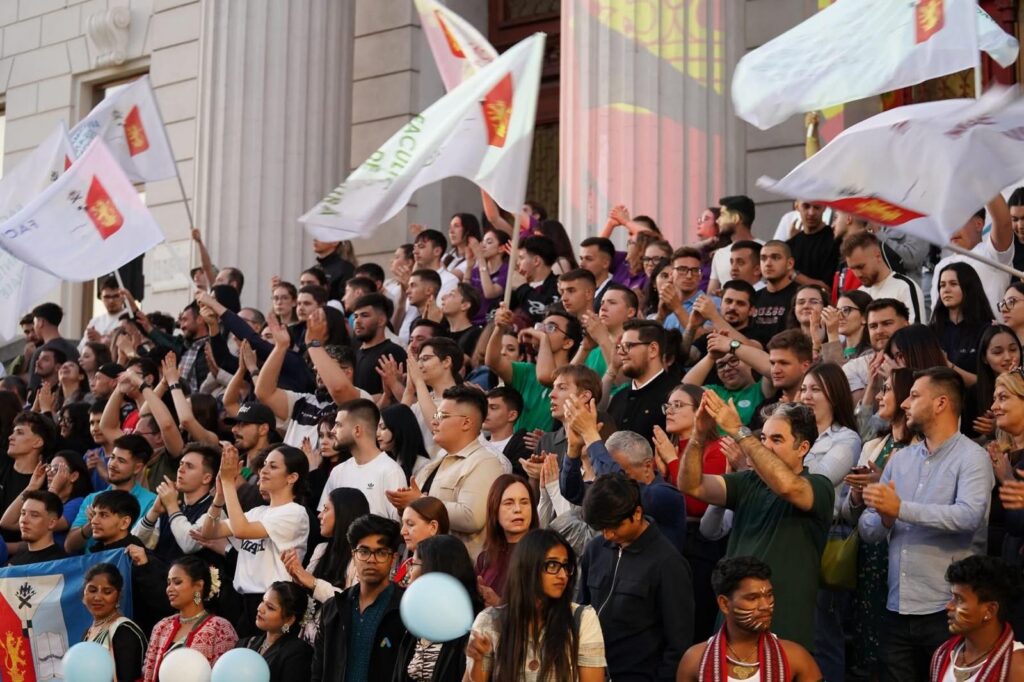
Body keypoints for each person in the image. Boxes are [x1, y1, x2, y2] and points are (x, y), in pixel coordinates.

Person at [859, 367, 994, 680]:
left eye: (915, 395)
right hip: (896, 606)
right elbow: (867, 529)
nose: (905, 403)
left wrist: (901, 509)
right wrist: (885, 517)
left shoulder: (973, 457)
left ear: (941, 403)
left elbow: (969, 516)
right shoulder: (901, 459)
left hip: (947, 608)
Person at [680, 397, 833, 653]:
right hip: (733, 621)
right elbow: (690, 484)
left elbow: (787, 487)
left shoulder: (818, 485)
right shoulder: (748, 482)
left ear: (803, 447)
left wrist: (739, 432)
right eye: (763, 438)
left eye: (777, 439)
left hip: (784, 624)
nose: (765, 446)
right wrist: (698, 435)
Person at [577, 474, 692, 680]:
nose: (607, 535)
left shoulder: (668, 563)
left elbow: (679, 643)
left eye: (614, 527)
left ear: (637, 513)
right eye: (602, 529)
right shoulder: (595, 549)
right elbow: (582, 608)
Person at [840, 369, 915, 679]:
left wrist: (883, 484)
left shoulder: (919, 450)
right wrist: (858, 495)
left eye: (888, 389)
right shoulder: (873, 445)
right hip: (868, 553)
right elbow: (850, 513)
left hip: (903, 558)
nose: (880, 396)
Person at [466, 528, 606, 682]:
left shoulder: (583, 619)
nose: (563, 575)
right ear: (527, 567)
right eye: (552, 565)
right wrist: (476, 661)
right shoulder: (490, 621)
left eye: (566, 566)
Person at [200, 443, 310, 637]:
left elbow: (241, 530)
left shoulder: (295, 513)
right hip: (244, 602)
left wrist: (228, 483)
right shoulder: (258, 512)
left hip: (275, 603)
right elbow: (209, 531)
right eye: (264, 464)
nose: (264, 470)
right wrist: (219, 497)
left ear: (292, 477)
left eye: (273, 466)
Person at [388, 385, 505, 560]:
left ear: (466, 422)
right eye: (436, 415)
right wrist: (405, 506)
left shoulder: (486, 462)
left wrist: (419, 501)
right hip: (421, 563)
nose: (434, 422)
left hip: (457, 569)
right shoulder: (434, 463)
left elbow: (471, 517)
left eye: (442, 416)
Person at [677, 556, 823, 682]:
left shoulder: (796, 657)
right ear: (724, 604)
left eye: (769, 595)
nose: (766, 605)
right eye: (752, 598)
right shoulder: (694, 660)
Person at [311, 514, 407, 682]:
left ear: (393, 559)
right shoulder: (333, 609)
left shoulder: (405, 609)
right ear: (353, 556)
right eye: (363, 551)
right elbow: (318, 671)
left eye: (381, 552)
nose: (371, 560)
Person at [284, 487, 369, 644]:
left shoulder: (362, 557)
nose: (320, 515)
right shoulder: (321, 549)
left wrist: (312, 582)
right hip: (306, 638)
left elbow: (353, 603)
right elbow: (306, 592)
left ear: (344, 513)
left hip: (335, 643)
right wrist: (296, 576)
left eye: (326, 509)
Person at [394, 534, 482, 682]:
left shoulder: (471, 627)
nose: (408, 573)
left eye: (413, 564)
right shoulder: (417, 623)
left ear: (433, 568)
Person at [143, 555, 238, 682]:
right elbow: (147, 675)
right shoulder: (162, 626)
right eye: (168, 583)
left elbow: (226, 675)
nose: (169, 589)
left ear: (198, 585)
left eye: (177, 582)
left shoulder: (220, 628)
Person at [929, 555, 1024, 681]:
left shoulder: (1017, 665)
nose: (948, 606)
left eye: (959, 599)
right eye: (952, 597)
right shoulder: (942, 654)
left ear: (990, 610)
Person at [67, 434, 157, 553]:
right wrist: (90, 525)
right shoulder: (92, 499)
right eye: (112, 457)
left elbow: (145, 544)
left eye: (121, 461)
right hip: (90, 568)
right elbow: (69, 546)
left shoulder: (152, 502)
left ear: (137, 468)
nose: (112, 464)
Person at [318, 399, 406, 518]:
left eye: (338, 425)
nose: (333, 431)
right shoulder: (337, 472)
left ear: (357, 430)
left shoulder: (390, 471)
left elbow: (398, 523)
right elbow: (324, 517)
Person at [930, 195, 1014, 316]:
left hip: (989, 333)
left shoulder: (992, 254)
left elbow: (1004, 223)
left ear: (978, 224)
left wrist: (983, 183)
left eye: (957, 222)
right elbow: (936, 315)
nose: (952, 230)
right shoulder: (941, 266)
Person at [134, 443, 218, 563]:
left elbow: (189, 544)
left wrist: (172, 506)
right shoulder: (170, 506)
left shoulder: (215, 511)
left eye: (189, 466)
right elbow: (136, 541)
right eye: (181, 464)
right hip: (161, 578)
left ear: (206, 478)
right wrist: (154, 512)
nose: (180, 470)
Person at [606, 320, 677, 442]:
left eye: (628, 346)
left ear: (653, 350)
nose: (620, 352)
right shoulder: (618, 398)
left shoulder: (675, 396)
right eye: (620, 347)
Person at [475, 474, 538, 606]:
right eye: (509, 503)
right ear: (495, 510)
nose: (518, 509)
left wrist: (499, 604)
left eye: (524, 502)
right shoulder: (484, 558)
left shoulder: (545, 554)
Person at [81, 562, 147, 682]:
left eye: (107, 592)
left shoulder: (125, 631)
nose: (97, 597)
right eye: (92, 590)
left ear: (118, 596)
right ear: (83, 594)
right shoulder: (88, 633)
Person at [237, 581, 314, 682]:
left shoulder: (298, 653)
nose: (260, 608)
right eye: (262, 601)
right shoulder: (245, 644)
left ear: (289, 619)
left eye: (270, 607)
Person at [844, 232, 925, 323]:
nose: (857, 274)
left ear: (878, 256)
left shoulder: (905, 288)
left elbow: (918, 334)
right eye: (852, 269)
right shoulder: (859, 293)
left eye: (861, 266)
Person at [929, 262, 994, 373]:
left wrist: (947, 365)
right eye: (942, 285)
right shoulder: (931, 331)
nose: (946, 290)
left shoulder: (986, 330)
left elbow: (986, 381)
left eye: (953, 284)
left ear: (968, 287)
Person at [1, 411, 57, 541]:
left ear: (37, 442)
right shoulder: (2, 467)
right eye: (13, 432)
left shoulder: (47, 482)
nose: (10, 437)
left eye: (19, 432)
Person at [964, 325, 1021, 440]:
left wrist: (1001, 425)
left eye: (1013, 349)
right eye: (997, 352)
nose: (1008, 357)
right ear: (984, 358)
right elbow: (968, 437)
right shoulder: (974, 393)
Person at [352, 293, 408, 398]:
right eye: (355, 316)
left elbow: (396, 397)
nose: (357, 321)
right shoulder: (355, 353)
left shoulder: (393, 353)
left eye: (364, 315)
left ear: (381, 320)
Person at [393, 495, 449, 587]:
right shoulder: (406, 564)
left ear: (433, 527)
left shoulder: (447, 570)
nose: (402, 531)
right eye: (403, 524)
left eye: (410, 524)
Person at [709, 195, 759, 296]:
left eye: (722, 214)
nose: (717, 220)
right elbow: (711, 295)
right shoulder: (719, 254)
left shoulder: (766, 250)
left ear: (736, 218)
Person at [509, 236, 562, 325]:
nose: (518, 263)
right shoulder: (517, 285)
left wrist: (522, 288)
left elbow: (546, 312)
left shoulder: (559, 285)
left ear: (536, 261)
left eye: (521, 258)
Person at [8, 489, 65, 565]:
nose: (24, 520)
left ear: (51, 523)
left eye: (34, 515)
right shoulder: (15, 560)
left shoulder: (58, 564)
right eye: (23, 513)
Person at [466, 227, 510, 324]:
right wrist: (469, 267)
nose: (483, 246)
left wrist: (480, 259)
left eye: (489, 242)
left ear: (501, 248)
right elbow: (464, 294)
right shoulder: (476, 270)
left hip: (489, 323)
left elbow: (489, 293)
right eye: (483, 242)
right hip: (470, 321)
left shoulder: (507, 270)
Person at [378, 404, 431, 480]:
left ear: (399, 428)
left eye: (383, 427)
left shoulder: (422, 465)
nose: (377, 433)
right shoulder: (386, 463)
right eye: (376, 428)